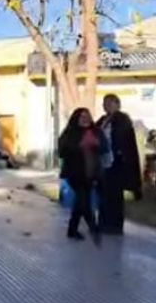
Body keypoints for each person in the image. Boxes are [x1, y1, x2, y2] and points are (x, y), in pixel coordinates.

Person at [59, 108, 108, 241]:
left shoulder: (96, 131)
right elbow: (61, 151)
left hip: (92, 173)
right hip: (75, 173)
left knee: (81, 201)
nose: (85, 119)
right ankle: (92, 227)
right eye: (82, 117)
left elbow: (105, 148)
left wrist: (96, 144)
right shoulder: (70, 132)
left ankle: (73, 230)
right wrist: (80, 145)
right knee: (83, 199)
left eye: (88, 116)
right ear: (76, 118)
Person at [97, 94, 142, 234]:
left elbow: (125, 141)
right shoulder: (103, 120)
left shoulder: (122, 119)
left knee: (115, 194)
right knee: (103, 193)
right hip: (103, 161)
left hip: (117, 162)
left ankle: (115, 225)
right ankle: (103, 223)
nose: (107, 106)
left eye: (110, 103)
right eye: (105, 103)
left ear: (117, 104)